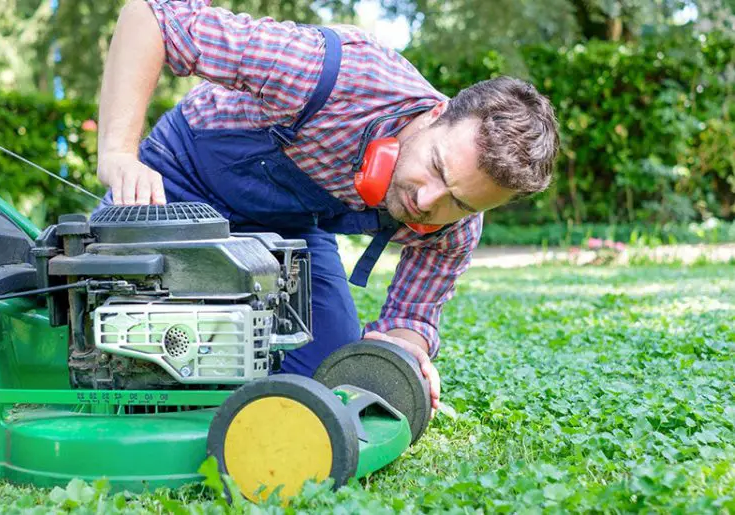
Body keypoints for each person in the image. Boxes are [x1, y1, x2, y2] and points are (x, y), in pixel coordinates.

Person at [94, 0, 560, 416]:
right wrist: (118, 153)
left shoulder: (454, 226)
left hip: (288, 228)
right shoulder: (330, 72)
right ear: (437, 112)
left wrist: (399, 350)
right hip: (182, 176)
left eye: (457, 202)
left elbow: (412, 319)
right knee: (107, 317)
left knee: (330, 368)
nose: (425, 202)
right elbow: (153, 18)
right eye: (435, 167)